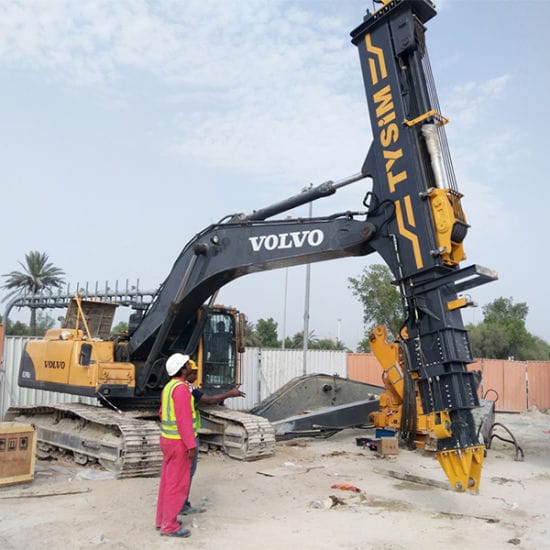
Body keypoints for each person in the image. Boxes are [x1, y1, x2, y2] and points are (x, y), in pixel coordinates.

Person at [179, 359, 246, 517]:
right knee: (187, 471)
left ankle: (182, 503)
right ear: (185, 372)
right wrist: (230, 393)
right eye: (194, 372)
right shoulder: (186, 388)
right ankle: (181, 504)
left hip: (181, 435)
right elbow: (208, 400)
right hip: (186, 436)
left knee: (184, 472)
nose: (196, 375)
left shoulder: (176, 386)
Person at [155, 353, 197, 538]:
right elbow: (184, 420)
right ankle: (169, 526)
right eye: (187, 364)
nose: (190, 366)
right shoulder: (181, 389)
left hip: (167, 440)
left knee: (167, 482)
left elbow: (162, 413)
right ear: (182, 369)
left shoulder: (169, 387)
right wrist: (191, 445)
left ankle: (162, 520)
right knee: (177, 484)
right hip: (179, 443)